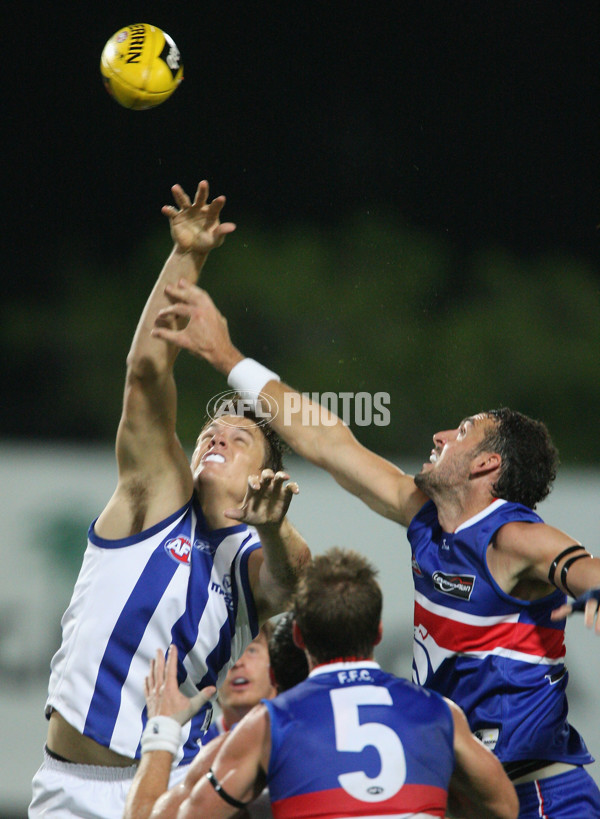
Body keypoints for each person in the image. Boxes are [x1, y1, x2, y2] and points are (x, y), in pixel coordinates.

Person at [148, 275, 600, 818]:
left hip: (540, 797)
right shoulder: (427, 519)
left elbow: (581, 566)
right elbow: (326, 439)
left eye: (461, 431)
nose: (440, 437)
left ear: (486, 465)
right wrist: (226, 355)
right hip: (465, 797)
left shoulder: (511, 535)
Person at [29, 182, 310, 819]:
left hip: (175, 784)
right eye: (211, 430)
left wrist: (273, 531)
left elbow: (298, 581)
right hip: (70, 784)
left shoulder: (251, 552)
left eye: (240, 439)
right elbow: (145, 373)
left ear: (263, 478)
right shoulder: (153, 501)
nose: (217, 436)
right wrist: (188, 256)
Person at [123, 548, 518, 819]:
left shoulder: (268, 725)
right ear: (378, 632)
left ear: (297, 637)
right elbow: (505, 808)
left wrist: (163, 729)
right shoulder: (441, 714)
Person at [203, 623, 277, 743]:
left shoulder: (302, 734)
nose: (237, 662)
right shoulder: (192, 752)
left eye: (251, 650)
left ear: (275, 661)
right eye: (227, 654)